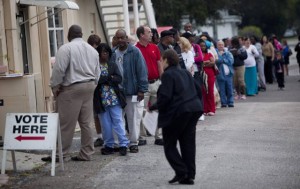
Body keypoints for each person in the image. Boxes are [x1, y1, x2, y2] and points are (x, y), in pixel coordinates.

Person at [43, 25, 100, 162]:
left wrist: (55, 87)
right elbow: (97, 71)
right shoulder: (92, 50)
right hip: (89, 85)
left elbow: (58, 70)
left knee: (65, 124)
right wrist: (93, 84)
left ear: (69, 35)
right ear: (81, 34)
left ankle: (60, 154)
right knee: (86, 123)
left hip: (71, 88)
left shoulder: (66, 48)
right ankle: (86, 153)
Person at [149, 49, 203, 185]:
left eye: (161, 60)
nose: (160, 62)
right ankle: (189, 175)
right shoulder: (185, 72)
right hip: (193, 110)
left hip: (179, 113)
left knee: (169, 145)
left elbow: (165, 97)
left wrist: (152, 107)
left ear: (166, 60)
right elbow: (198, 89)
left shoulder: (168, 75)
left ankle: (181, 171)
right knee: (188, 144)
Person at [111, 29, 148, 153]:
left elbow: (142, 71)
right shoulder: (113, 53)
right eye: (118, 38)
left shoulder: (134, 52)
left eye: (122, 38)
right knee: (117, 118)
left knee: (133, 118)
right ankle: (120, 142)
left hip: (132, 90)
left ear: (126, 38)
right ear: (115, 39)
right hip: (117, 91)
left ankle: (133, 142)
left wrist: (142, 89)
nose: (120, 40)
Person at [93, 43, 129, 156]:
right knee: (105, 123)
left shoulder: (112, 64)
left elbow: (119, 78)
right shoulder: (95, 66)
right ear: (98, 54)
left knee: (117, 121)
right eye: (103, 52)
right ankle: (109, 145)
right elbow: (96, 81)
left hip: (114, 98)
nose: (105, 54)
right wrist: (109, 78)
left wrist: (106, 79)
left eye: (107, 52)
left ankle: (123, 144)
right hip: (101, 99)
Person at [136, 25, 164, 146]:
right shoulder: (135, 49)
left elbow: (159, 63)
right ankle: (142, 136)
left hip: (156, 82)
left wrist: (162, 80)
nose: (151, 34)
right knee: (141, 111)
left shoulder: (155, 48)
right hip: (143, 85)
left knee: (157, 110)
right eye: (148, 32)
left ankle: (158, 136)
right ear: (142, 35)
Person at [87, 34, 104, 147]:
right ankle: (100, 136)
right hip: (93, 86)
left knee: (102, 113)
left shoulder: (102, 54)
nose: (93, 49)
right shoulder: (87, 54)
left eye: (95, 46)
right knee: (95, 114)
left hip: (100, 87)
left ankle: (104, 136)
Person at [198, 39, 216, 116]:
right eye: (201, 46)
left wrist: (203, 64)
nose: (203, 47)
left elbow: (213, 63)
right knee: (203, 92)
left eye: (204, 46)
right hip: (201, 75)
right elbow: (199, 64)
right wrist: (206, 62)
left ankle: (212, 109)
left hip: (210, 75)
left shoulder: (209, 53)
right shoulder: (197, 54)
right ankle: (205, 109)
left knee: (210, 91)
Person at [215, 40, 234, 107]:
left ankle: (230, 102)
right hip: (220, 74)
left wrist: (222, 59)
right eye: (219, 44)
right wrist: (223, 59)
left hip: (228, 74)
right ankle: (223, 103)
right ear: (217, 45)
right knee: (222, 89)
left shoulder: (228, 52)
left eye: (222, 44)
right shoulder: (215, 53)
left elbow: (231, 61)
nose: (220, 46)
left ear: (224, 45)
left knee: (230, 89)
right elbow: (216, 61)